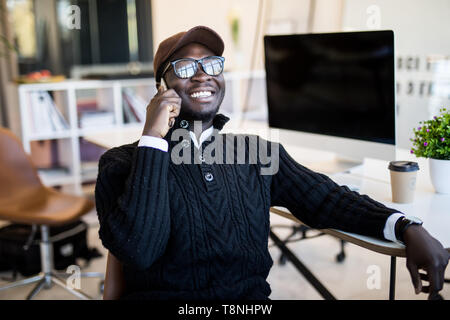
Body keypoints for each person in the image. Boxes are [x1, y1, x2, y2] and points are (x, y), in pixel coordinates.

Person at [95, 25, 449, 300]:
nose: (203, 74)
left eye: (212, 64)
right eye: (186, 67)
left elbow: (328, 199)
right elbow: (139, 250)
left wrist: (406, 226)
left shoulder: (255, 152)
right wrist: (153, 139)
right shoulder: (121, 163)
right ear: (162, 87)